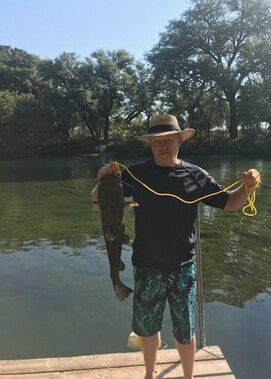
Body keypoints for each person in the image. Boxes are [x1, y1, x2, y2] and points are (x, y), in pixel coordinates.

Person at [97, 114, 260, 379]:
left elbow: (228, 202)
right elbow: (99, 201)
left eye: (169, 140)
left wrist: (247, 187)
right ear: (150, 145)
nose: (163, 146)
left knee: (185, 331)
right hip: (146, 267)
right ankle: (150, 374)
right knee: (148, 330)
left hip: (183, 268)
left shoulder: (195, 175)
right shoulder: (135, 174)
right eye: (157, 141)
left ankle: (188, 376)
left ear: (179, 142)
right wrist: (103, 177)